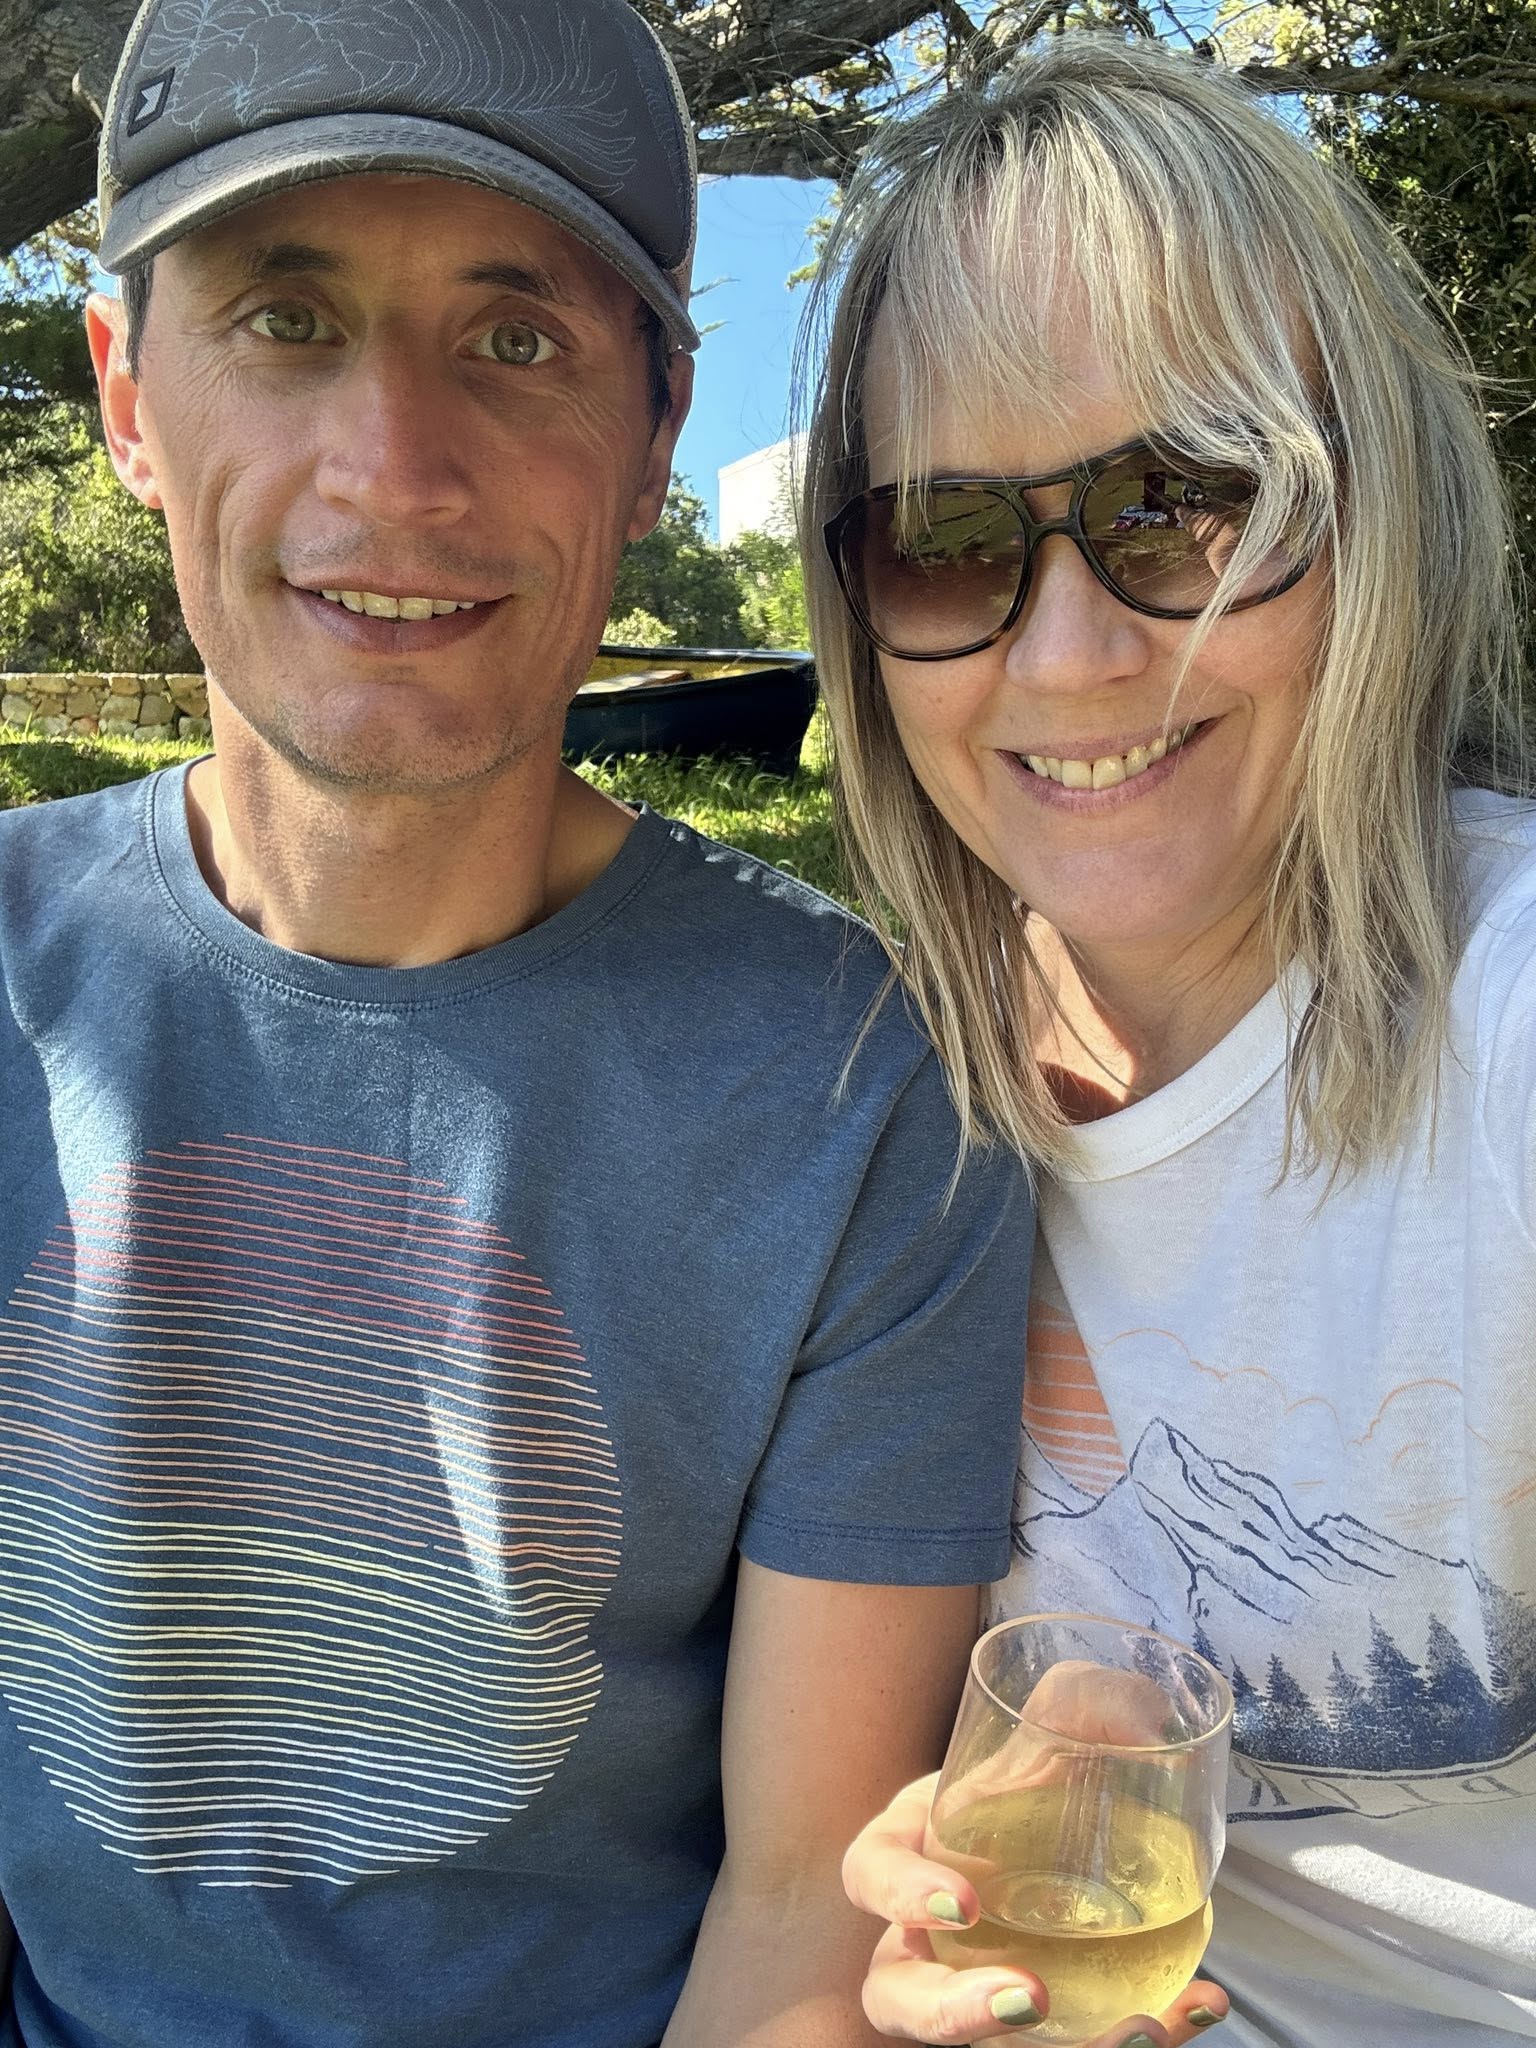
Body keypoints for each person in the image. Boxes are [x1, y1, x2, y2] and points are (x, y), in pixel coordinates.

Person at [0, 4, 1037, 2043]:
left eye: (516, 339)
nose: (396, 467)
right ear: (128, 394)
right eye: (286, 322)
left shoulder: (860, 1094)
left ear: (656, 438)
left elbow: (796, 1909)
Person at [796, 33, 1536, 2048]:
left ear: (1374, 512)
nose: (1070, 654)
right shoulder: (876, 1116)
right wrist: (1068, 1754)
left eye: (1190, 503)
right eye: (947, 540)